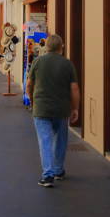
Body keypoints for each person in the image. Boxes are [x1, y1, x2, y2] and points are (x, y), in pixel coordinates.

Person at [26, 34, 80, 188]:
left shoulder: (38, 62)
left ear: (46, 47)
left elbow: (29, 84)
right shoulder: (67, 64)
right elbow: (74, 88)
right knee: (61, 140)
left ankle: (47, 174)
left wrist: (32, 100)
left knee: (45, 141)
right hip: (62, 109)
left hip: (41, 108)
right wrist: (75, 108)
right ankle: (58, 170)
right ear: (61, 47)